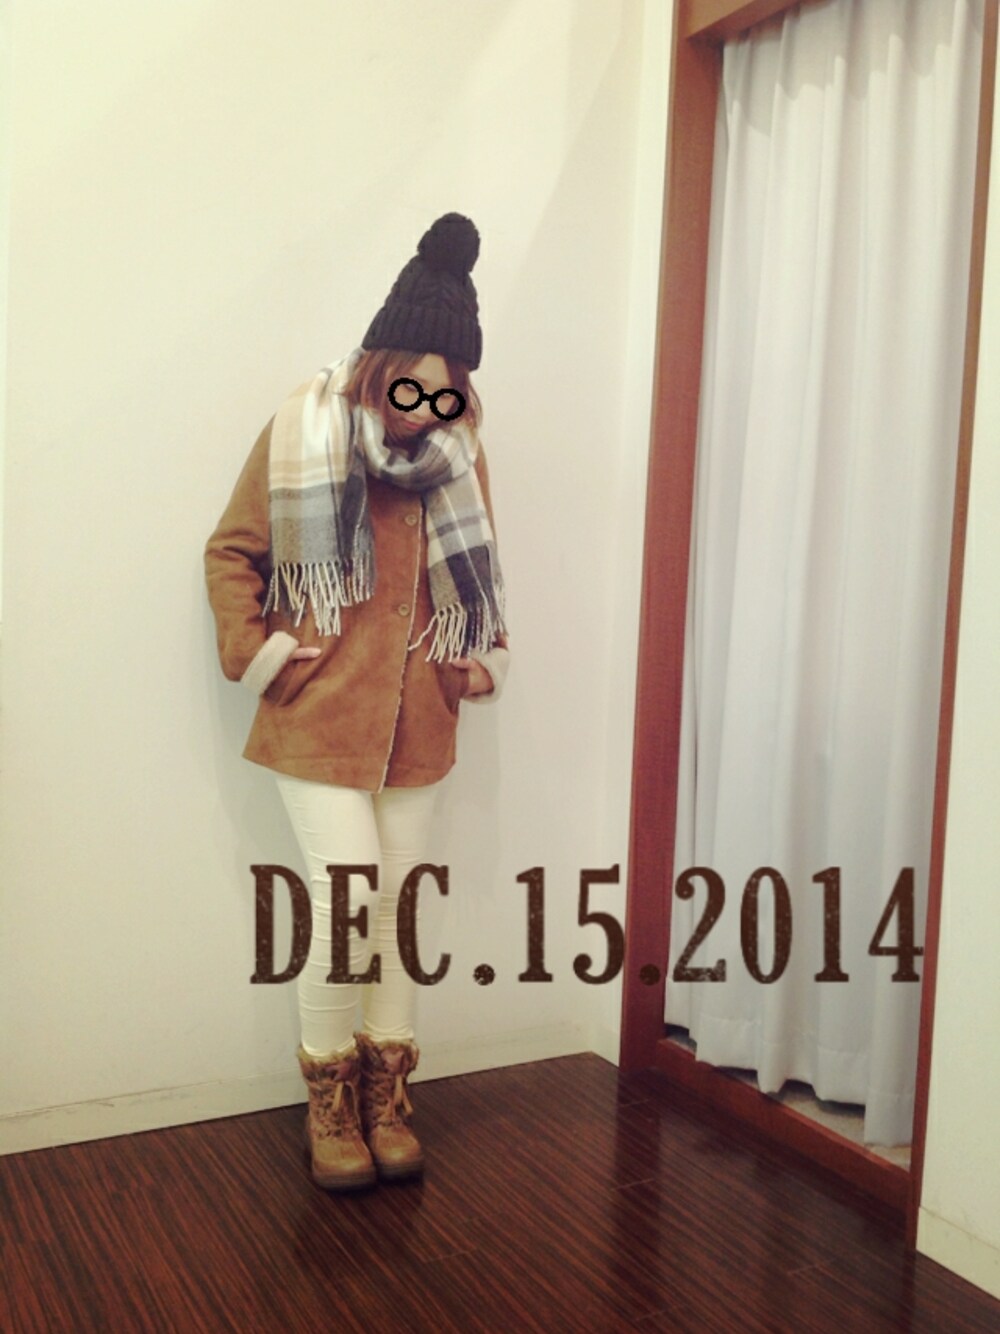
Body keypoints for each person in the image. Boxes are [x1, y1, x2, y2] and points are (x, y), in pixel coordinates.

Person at [204, 213, 509, 1192]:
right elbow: (232, 552)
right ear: (379, 368)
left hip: (420, 717)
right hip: (320, 714)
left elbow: (480, 576)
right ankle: (329, 1097)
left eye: (446, 392)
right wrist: (258, 654)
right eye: (410, 387)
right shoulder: (304, 427)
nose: (425, 410)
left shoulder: (460, 454)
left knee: (397, 915)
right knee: (347, 897)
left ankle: (386, 1096)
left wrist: (481, 661)